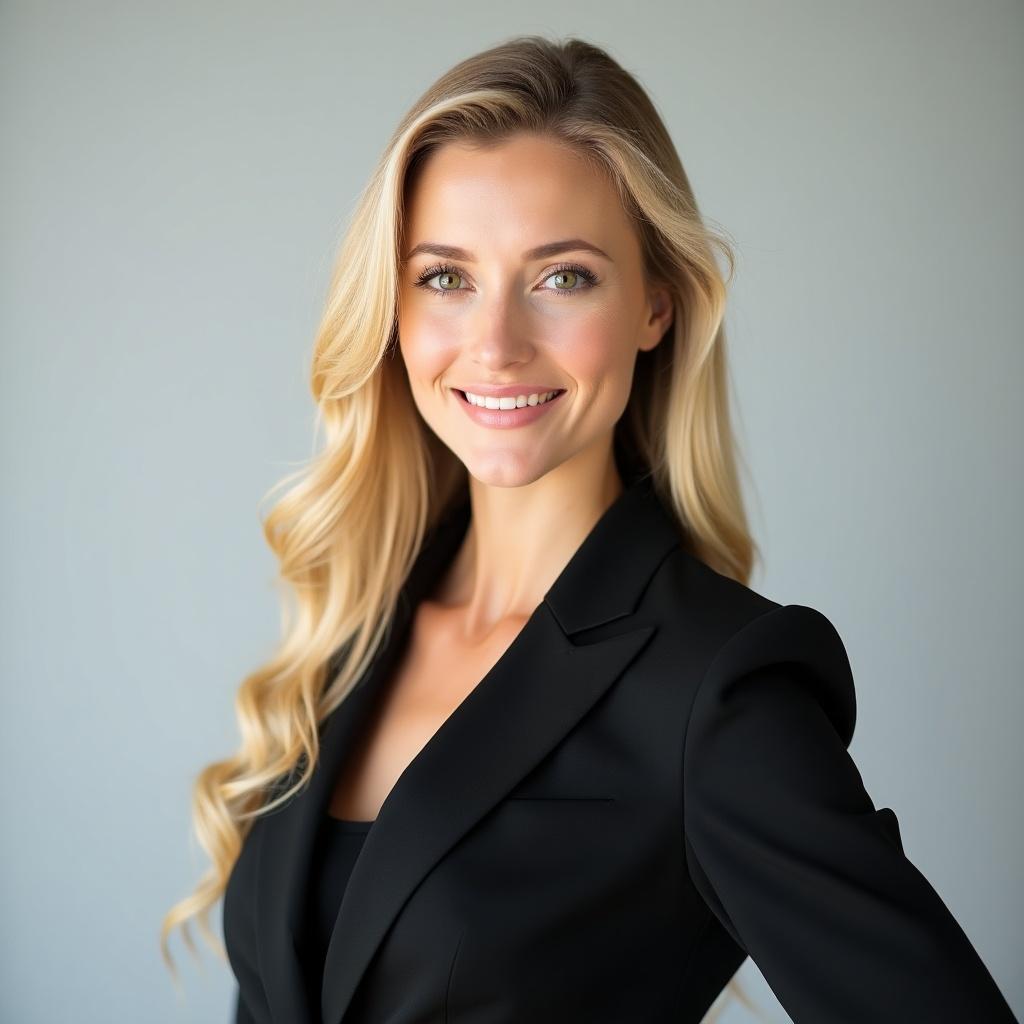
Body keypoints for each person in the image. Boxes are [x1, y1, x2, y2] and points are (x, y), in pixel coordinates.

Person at [160, 35, 1018, 1024]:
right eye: (445, 276)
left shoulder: (715, 690)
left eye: (561, 277)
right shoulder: (351, 633)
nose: (495, 344)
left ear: (656, 303)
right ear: (391, 305)